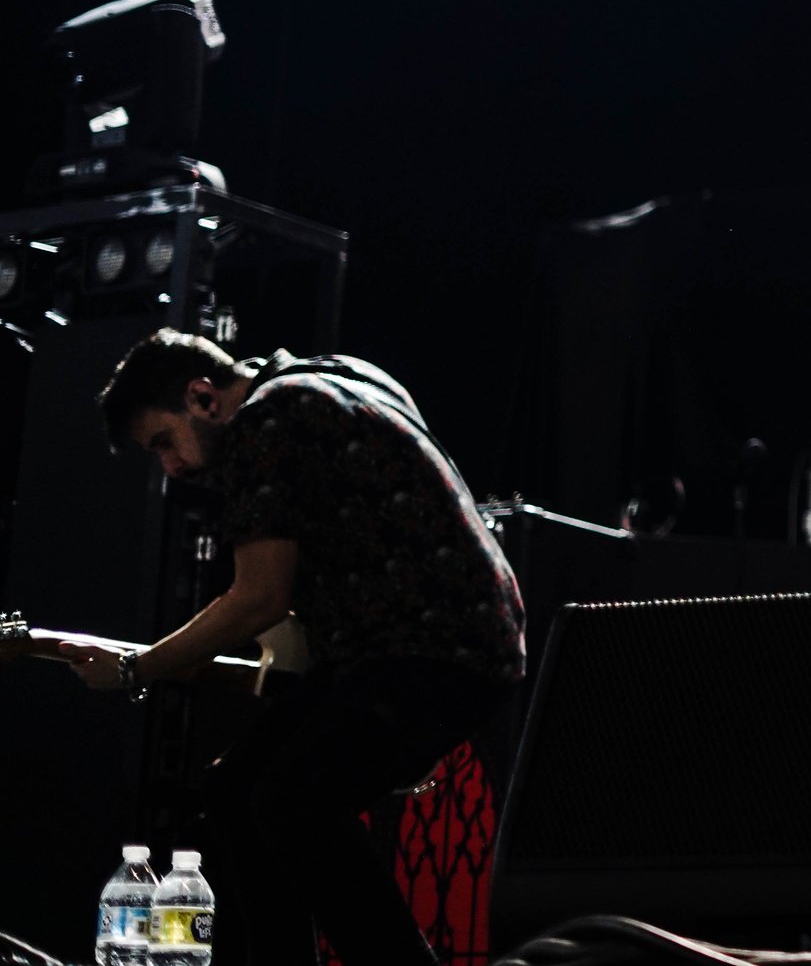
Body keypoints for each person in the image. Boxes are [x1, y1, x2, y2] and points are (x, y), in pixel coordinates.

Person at [65, 330, 524, 966]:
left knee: (292, 803)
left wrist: (132, 668)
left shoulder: (265, 421)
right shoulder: (341, 372)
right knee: (235, 791)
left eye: (164, 443)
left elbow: (259, 598)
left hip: (427, 647)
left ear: (202, 397)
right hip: (443, 639)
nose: (170, 469)